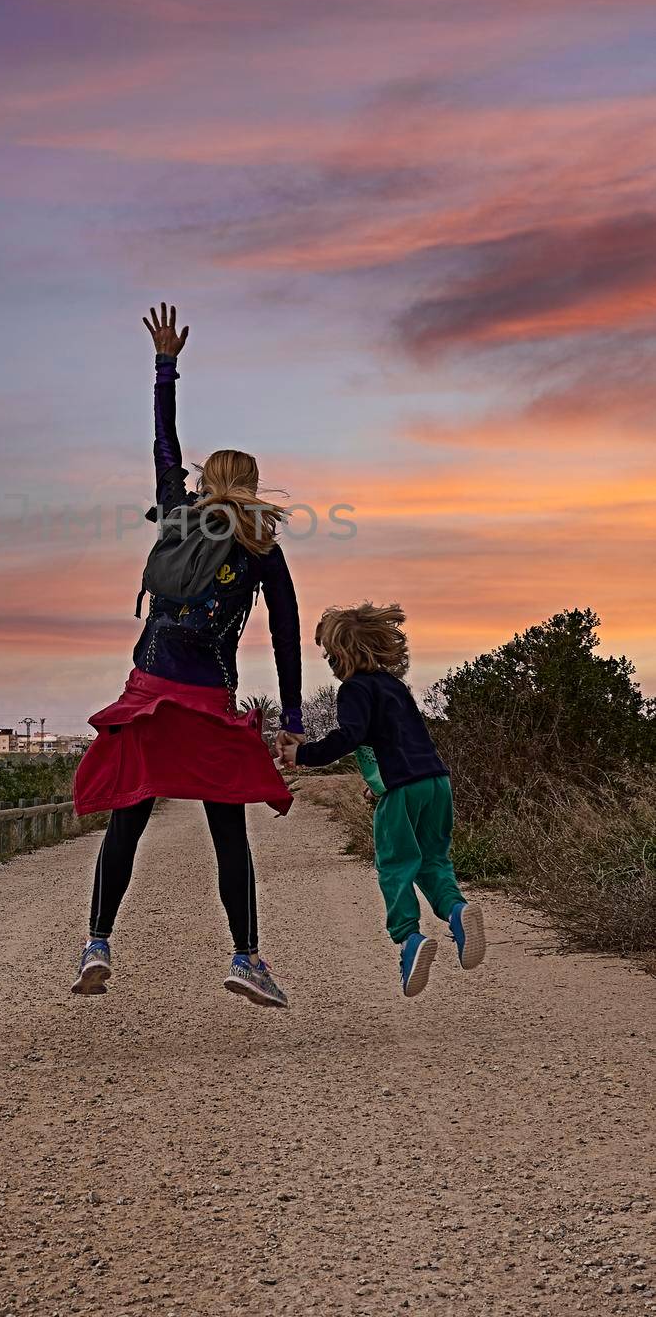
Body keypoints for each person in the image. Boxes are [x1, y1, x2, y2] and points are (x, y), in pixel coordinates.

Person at [71, 304, 304, 1008]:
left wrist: (164, 365)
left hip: (146, 691)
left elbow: (162, 447)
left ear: (208, 482)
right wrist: (290, 717)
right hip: (204, 703)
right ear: (255, 485)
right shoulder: (263, 546)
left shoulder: (177, 512)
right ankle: (245, 958)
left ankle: (97, 942)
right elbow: (287, 635)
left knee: (127, 822)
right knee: (227, 831)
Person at [278, 603, 486, 997]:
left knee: (395, 864)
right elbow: (400, 741)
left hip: (403, 791)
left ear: (343, 654)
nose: (329, 662)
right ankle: (456, 911)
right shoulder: (395, 687)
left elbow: (351, 735)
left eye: (330, 654)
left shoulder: (354, 690)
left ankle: (409, 938)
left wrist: (301, 756)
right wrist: (377, 782)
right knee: (433, 859)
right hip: (436, 782)